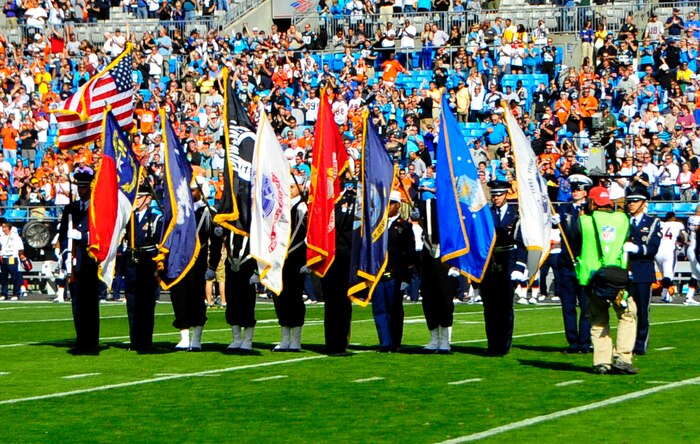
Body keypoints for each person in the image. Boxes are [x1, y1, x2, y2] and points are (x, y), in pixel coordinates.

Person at [577, 186, 637, 375]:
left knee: (598, 319)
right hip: (618, 278)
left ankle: (602, 362)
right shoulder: (623, 219)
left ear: (592, 202)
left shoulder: (584, 221)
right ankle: (623, 357)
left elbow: (574, 242)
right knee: (627, 315)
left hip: (592, 277)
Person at [170, 180, 222, 351]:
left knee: (196, 299)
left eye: (193, 190)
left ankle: (197, 336)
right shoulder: (180, 211)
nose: (190, 193)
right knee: (179, 297)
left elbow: (215, 243)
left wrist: (212, 266)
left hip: (198, 262)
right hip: (179, 261)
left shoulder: (208, 213)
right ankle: (184, 335)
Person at [481, 180, 526, 356]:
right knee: (490, 307)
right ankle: (492, 344)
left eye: (499, 195)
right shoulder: (486, 214)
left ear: (506, 194)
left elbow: (521, 242)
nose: (496, 198)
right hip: (490, 263)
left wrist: (520, 266)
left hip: (508, 261)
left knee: (505, 307)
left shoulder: (515, 215)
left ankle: (504, 345)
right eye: (493, 195)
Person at [58, 171, 101, 354]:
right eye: (79, 186)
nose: (81, 190)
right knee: (76, 303)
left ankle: (92, 341)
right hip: (74, 261)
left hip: (91, 261)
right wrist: (63, 257)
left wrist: (83, 236)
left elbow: (101, 233)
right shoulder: (71, 209)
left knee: (90, 302)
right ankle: (81, 339)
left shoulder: (97, 208)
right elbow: (62, 234)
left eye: (84, 186)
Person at [122, 184, 163, 352]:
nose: (136, 200)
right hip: (132, 263)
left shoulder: (155, 219)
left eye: (140, 197)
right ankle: (135, 339)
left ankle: (145, 340)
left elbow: (159, 242)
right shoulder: (129, 218)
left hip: (147, 263)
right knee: (132, 303)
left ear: (148, 198)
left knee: (146, 303)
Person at [371, 191, 414, 353]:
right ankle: (384, 342)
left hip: (395, 274)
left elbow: (409, 254)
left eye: (391, 203)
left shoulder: (404, 226)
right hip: (378, 273)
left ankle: (395, 341)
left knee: (394, 308)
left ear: (397, 205)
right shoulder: (377, 224)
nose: (387, 207)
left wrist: (406, 278)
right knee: (379, 308)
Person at [556, 173, 593, 354]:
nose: (575, 192)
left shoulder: (592, 210)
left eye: (578, 189)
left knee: (586, 307)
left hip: (584, 263)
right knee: (568, 306)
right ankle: (573, 342)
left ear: (586, 192)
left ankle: (585, 342)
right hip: (566, 264)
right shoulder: (564, 210)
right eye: (573, 189)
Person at [624, 186, 662, 356]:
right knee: (625, 311)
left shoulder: (652, 222)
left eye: (635, 201)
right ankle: (626, 342)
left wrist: (636, 248)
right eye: (629, 201)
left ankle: (640, 344)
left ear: (643, 203)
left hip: (642, 271)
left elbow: (652, 248)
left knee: (642, 311)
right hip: (624, 271)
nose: (631, 204)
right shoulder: (624, 221)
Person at [419, 197, 458, 352]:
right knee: (429, 299)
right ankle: (434, 338)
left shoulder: (451, 205)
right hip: (429, 256)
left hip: (446, 258)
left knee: (445, 301)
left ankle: (445, 340)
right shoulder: (428, 204)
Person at [273, 180, 308, 352]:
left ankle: (296, 339)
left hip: (296, 259)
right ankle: (285, 337)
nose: (289, 189)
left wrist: (309, 261)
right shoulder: (281, 208)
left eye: (292, 186)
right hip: (280, 259)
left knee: (294, 298)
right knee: (280, 298)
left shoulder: (303, 208)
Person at [321, 183, 355, 354]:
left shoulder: (353, 201)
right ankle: (331, 341)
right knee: (331, 303)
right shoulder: (328, 202)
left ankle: (341, 342)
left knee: (342, 302)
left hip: (345, 257)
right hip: (328, 257)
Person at [655, 212, 686, 303]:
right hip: (669, 251)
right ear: (673, 217)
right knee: (669, 275)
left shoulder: (661, 224)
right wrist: (682, 243)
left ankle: (666, 295)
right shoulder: (678, 224)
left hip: (658, 251)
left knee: (664, 275)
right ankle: (664, 295)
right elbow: (683, 236)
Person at [0, 222, 25, 301]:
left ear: (9, 228)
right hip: (3, 257)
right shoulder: (1, 237)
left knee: (15, 277)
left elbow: (21, 248)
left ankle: (16, 294)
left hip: (12, 257)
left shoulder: (15, 237)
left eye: (5, 227)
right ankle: (4, 293)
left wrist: (18, 255)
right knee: (3, 277)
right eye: (3, 227)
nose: (3, 229)